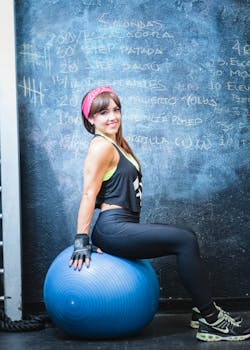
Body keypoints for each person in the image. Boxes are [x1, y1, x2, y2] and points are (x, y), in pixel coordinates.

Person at [69, 86, 250, 342]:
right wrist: (81, 240)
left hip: (119, 226)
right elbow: (89, 193)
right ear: (90, 118)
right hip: (113, 228)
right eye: (103, 112)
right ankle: (211, 319)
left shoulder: (115, 145)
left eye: (116, 110)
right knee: (185, 240)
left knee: (186, 236)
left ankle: (201, 310)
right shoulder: (101, 146)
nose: (112, 117)